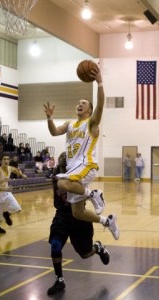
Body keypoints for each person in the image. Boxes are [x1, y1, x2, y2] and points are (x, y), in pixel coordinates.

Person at [44, 64, 119, 240]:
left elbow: (100, 105)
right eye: (78, 103)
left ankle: (94, 194)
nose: (79, 104)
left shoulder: (91, 124)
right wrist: (49, 118)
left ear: (90, 110)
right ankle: (107, 221)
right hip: (73, 170)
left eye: (83, 103)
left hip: (86, 165)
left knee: (61, 184)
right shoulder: (70, 124)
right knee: (77, 213)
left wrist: (100, 83)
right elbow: (54, 131)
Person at [47, 152, 110, 296]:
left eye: (66, 162)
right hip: (62, 216)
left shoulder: (80, 175)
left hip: (79, 217)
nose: (63, 163)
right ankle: (59, 280)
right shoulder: (57, 175)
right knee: (55, 246)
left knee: (85, 253)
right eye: (62, 162)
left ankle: (98, 248)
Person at [0, 154, 27, 234]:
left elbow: (15, 170)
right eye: (4, 159)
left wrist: (22, 175)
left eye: (8, 159)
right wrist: (4, 189)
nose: (6, 161)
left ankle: (6, 213)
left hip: (5, 193)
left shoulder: (9, 168)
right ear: (1, 161)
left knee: (17, 208)